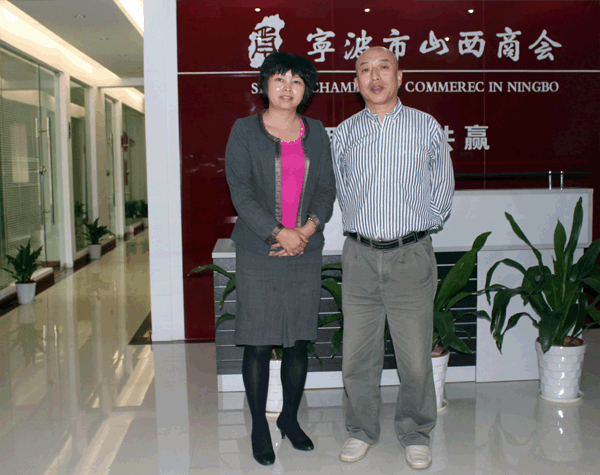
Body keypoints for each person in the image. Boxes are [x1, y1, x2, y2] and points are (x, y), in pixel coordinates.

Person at [331, 46, 454, 470]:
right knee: (356, 357)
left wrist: (416, 230)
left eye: (383, 67)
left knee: (416, 359)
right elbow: (343, 189)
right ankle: (361, 430)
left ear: (400, 76)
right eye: (365, 70)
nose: (375, 76)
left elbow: (442, 188)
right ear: (356, 82)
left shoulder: (426, 126)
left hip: (410, 256)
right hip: (360, 257)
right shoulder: (345, 133)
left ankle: (416, 432)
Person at [225, 51, 336, 466]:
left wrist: (304, 232)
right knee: (257, 342)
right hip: (259, 250)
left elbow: (326, 188)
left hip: (304, 251)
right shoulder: (244, 131)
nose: (287, 87)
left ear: (306, 90)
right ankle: (260, 426)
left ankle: (289, 418)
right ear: (264, 85)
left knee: (298, 341)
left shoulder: (316, 132)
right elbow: (240, 191)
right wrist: (279, 233)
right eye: (279, 79)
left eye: (297, 81)